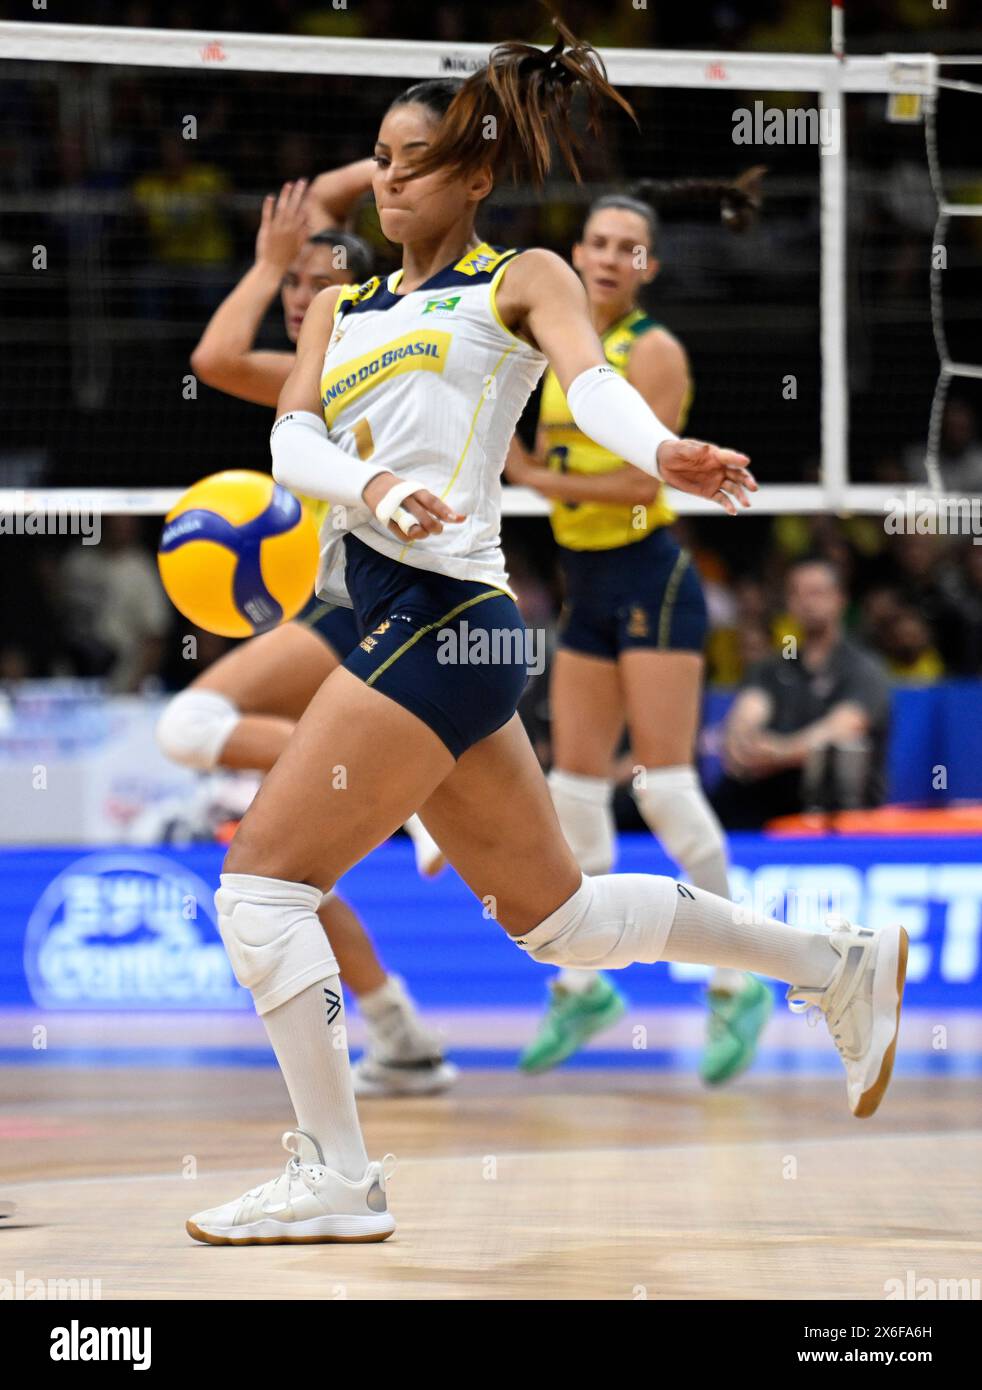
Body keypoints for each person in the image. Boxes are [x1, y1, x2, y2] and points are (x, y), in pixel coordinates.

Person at [186, 24, 908, 1247]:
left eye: (415, 160)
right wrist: (366, 491)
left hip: (449, 617)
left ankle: (339, 1174)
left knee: (261, 887)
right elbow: (289, 445)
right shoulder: (341, 309)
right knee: (558, 918)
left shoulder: (520, 275)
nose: (392, 180)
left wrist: (657, 451)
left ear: (473, 178)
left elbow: (591, 383)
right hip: (392, 613)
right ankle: (833, 964)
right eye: (379, 160)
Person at [156, 173, 455, 1099]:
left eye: (310, 290)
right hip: (340, 604)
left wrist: (280, 257)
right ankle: (402, 1036)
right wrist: (382, 174)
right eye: (289, 294)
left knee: (189, 729)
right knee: (288, 870)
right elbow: (219, 353)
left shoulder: (378, 355)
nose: (295, 303)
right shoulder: (308, 373)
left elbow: (211, 356)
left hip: (361, 604)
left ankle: (410, 796)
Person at [505, 172, 772, 1086]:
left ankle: (739, 986)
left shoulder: (652, 352)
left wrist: (534, 479)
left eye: (630, 247)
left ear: (649, 267)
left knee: (660, 788)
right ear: (574, 254)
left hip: (652, 577)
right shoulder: (557, 344)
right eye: (599, 242)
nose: (611, 257)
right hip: (585, 582)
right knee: (574, 791)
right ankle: (583, 990)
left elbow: (637, 483)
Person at [714, 558, 891, 828]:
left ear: (840, 599)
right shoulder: (771, 668)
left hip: (837, 804)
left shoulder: (863, 668)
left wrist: (778, 752)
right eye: (797, 593)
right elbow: (744, 722)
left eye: (817, 593)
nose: (807, 602)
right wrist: (747, 746)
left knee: (837, 760)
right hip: (766, 800)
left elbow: (843, 728)